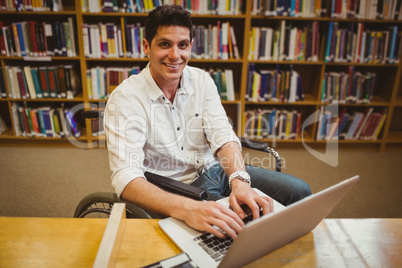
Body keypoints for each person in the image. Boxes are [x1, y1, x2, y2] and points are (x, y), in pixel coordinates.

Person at [104, 5, 311, 240]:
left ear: (190, 46)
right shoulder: (125, 99)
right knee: (236, 226)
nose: (175, 55)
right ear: (146, 47)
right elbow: (126, 179)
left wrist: (240, 181)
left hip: (215, 169)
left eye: (182, 45)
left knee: (300, 193)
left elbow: (222, 134)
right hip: (176, 187)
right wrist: (186, 208)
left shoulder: (201, 80)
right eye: (164, 44)